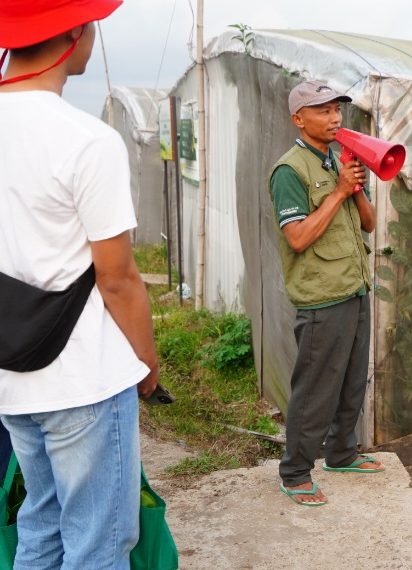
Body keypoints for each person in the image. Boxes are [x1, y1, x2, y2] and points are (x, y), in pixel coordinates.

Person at [0, 0, 160, 567]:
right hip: (83, 381)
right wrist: (146, 363)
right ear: (74, 31)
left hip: (12, 377)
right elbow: (118, 279)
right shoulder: (86, 141)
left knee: (39, 524)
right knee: (98, 542)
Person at [271, 80, 384, 507]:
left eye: (337, 109)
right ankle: (296, 473)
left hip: (354, 289)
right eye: (323, 110)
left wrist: (354, 188)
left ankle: (341, 454)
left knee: (353, 381)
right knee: (315, 389)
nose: (335, 117)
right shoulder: (289, 171)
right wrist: (338, 192)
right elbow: (298, 237)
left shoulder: (341, 161)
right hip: (321, 297)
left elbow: (369, 224)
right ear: (299, 119)